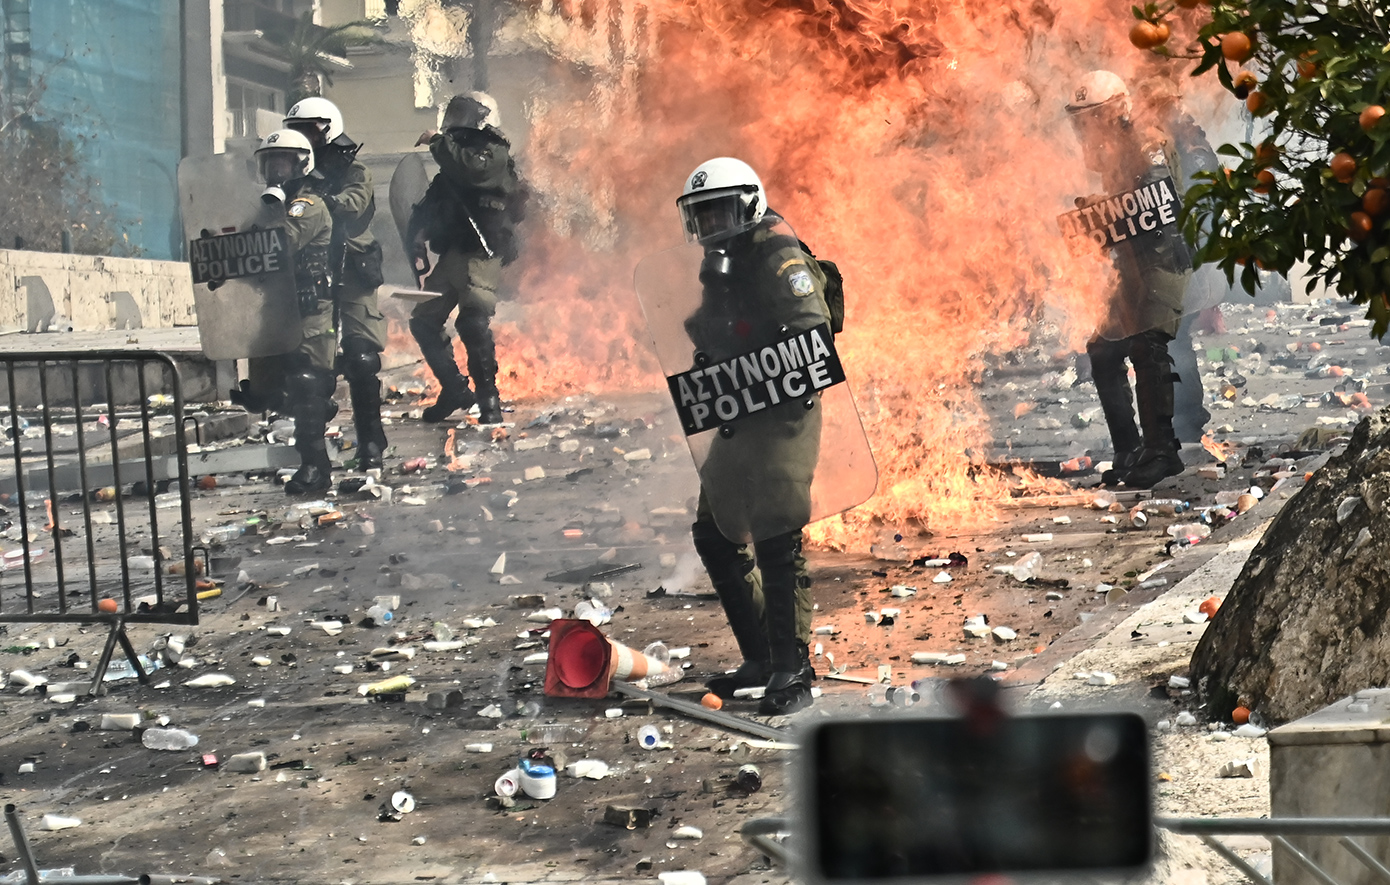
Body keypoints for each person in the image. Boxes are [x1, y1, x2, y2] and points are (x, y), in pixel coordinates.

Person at [677, 157, 827, 716]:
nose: (712, 224)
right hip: (740, 407)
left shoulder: (776, 255)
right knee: (715, 532)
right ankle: (761, 657)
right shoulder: (722, 263)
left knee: (776, 535)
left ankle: (794, 669)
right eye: (702, 215)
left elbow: (812, 334)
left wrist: (760, 357)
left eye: (720, 211)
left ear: (749, 204)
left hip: (785, 409)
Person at [1066, 71, 1193, 489]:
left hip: (1162, 262)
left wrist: (1103, 208)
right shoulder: (1112, 150)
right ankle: (1129, 448)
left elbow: (1155, 203)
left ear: (1118, 109)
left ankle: (1162, 452)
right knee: (1103, 350)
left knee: (1147, 344)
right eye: (1081, 119)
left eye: (1093, 116)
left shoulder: (1146, 141)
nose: (1086, 127)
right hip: (1133, 268)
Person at [283, 97, 390, 470]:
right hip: (313, 269)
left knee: (361, 356)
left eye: (308, 129)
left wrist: (318, 198)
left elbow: (353, 204)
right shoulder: (291, 167)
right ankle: (314, 455)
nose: (301, 137)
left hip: (354, 264)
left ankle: (371, 441)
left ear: (327, 128)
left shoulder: (354, 169)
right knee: (312, 361)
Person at [407, 92, 524, 426]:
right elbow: (434, 201)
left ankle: (489, 401)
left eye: (462, 113)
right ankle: (455, 390)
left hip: (481, 253)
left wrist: (437, 142)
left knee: (473, 324)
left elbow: (474, 170)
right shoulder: (451, 169)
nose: (455, 120)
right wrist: (417, 234)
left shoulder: (493, 153)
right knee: (423, 321)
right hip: (452, 254)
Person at [246, 129, 337, 494]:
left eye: (282, 163)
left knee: (308, 383)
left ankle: (317, 468)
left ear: (301, 164)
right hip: (279, 310)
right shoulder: (270, 208)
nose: (275, 172)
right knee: (269, 388)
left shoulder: (307, 206)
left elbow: (281, 243)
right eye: (270, 163)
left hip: (310, 309)